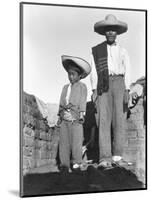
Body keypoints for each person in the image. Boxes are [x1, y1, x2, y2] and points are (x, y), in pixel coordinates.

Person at [90, 14, 134, 169]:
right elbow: (94, 72)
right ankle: (104, 157)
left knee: (119, 121)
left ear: (117, 32)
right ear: (104, 32)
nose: (110, 33)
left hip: (120, 83)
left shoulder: (123, 51)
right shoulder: (96, 51)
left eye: (113, 30)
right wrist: (94, 89)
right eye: (108, 30)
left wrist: (127, 89)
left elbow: (128, 70)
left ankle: (117, 156)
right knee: (103, 120)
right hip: (103, 84)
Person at [57, 55, 91, 173]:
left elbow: (82, 101)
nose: (71, 77)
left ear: (80, 76)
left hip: (75, 119)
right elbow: (61, 102)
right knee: (64, 143)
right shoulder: (65, 87)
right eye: (69, 74)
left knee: (76, 142)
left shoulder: (82, 87)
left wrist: (81, 115)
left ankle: (77, 162)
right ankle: (64, 164)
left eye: (73, 74)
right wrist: (61, 114)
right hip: (65, 119)